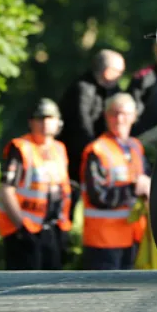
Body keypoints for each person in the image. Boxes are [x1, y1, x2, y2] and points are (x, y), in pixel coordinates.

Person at [0, 98, 72, 270]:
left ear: (58, 122)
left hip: (51, 229)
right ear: (31, 122)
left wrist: (64, 225)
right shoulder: (21, 148)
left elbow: (63, 188)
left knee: (50, 288)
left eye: (50, 118)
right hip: (24, 232)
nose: (45, 123)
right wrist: (21, 227)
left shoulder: (59, 149)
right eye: (40, 118)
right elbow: (6, 189)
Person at [80, 93, 151, 270]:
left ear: (134, 116)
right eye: (114, 113)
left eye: (125, 114)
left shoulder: (135, 146)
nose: (119, 119)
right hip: (103, 242)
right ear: (106, 116)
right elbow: (98, 196)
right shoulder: (97, 150)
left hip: (134, 237)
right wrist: (134, 188)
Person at [57, 49, 125, 219]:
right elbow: (81, 124)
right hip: (75, 157)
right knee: (69, 200)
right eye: (118, 72)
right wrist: (97, 151)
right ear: (107, 71)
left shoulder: (113, 90)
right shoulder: (82, 89)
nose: (119, 77)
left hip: (97, 155)